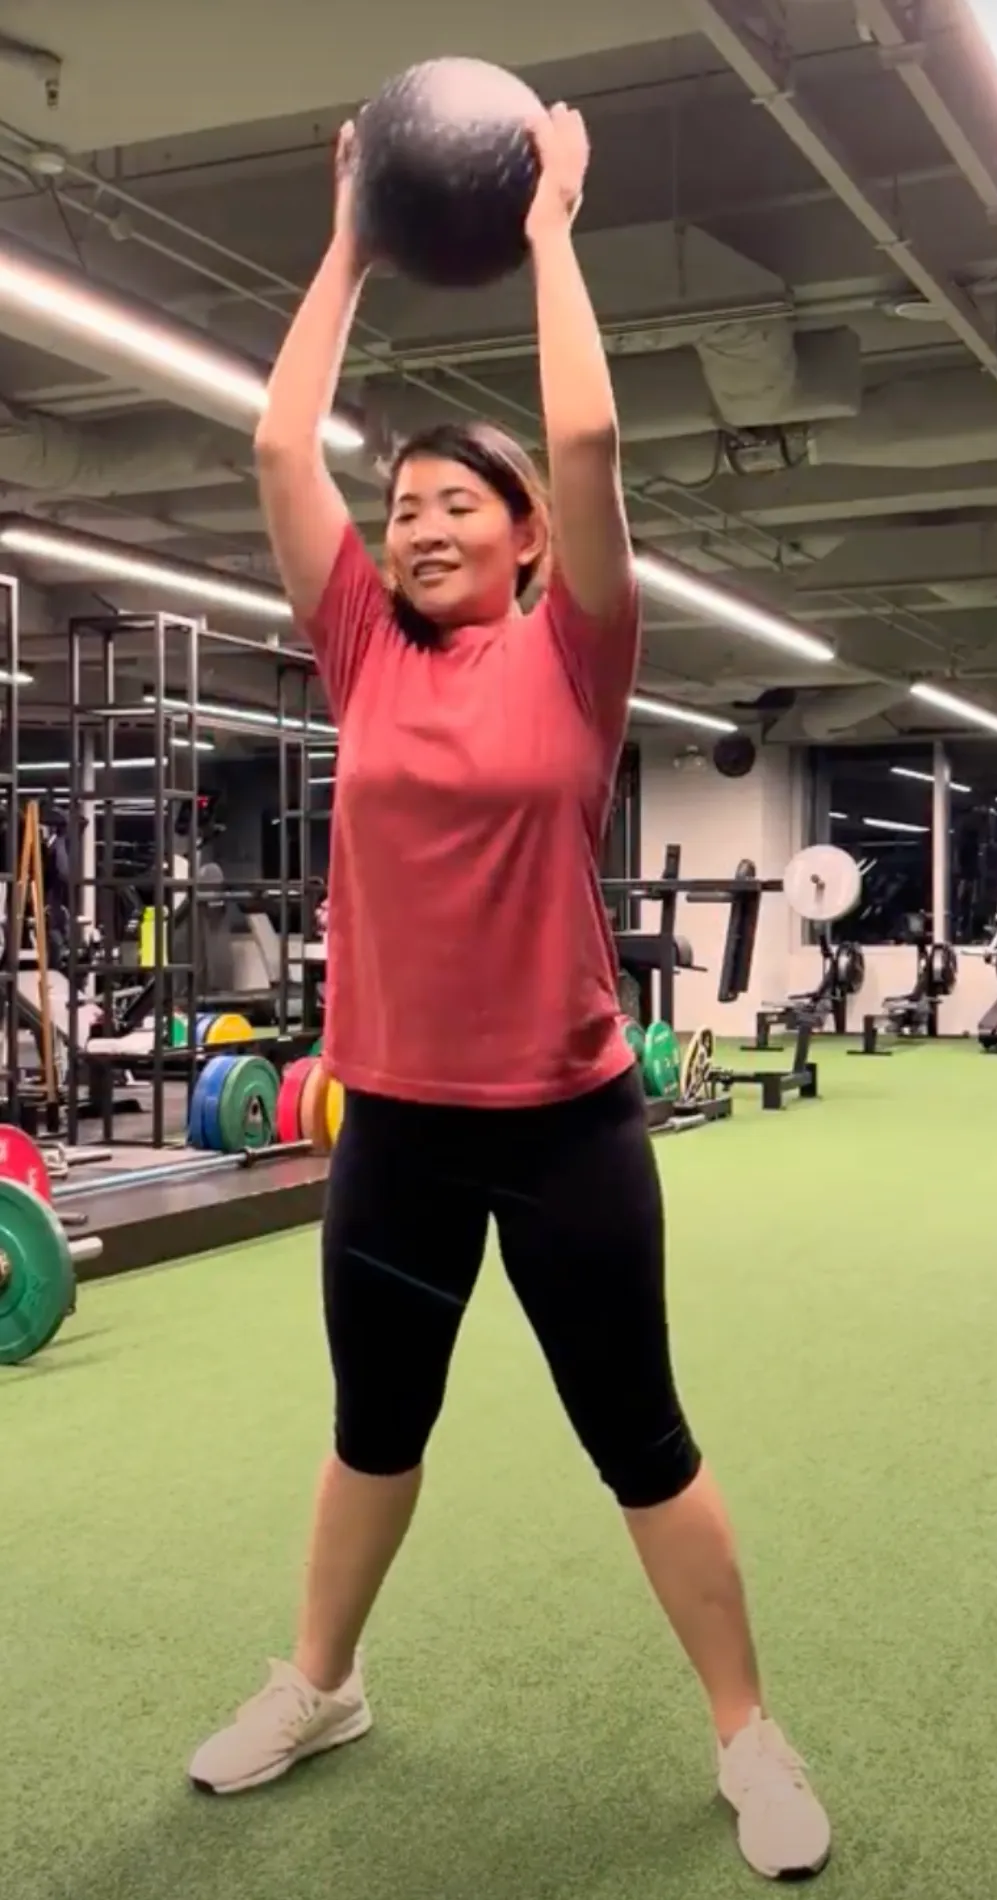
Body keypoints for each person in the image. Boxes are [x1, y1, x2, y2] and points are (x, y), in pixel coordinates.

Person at [189, 103, 831, 1882]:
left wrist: (551, 223)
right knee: (372, 1431)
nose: (416, 527)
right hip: (396, 1131)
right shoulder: (360, 653)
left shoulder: (579, 651)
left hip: (565, 1131)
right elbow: (277, 442)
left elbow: (593, 435)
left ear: (531, 537)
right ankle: (322, 1683)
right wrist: (350, 236)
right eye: (401, 509)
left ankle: (749, 1736)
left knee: (641, 1438)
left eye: (456, 503)